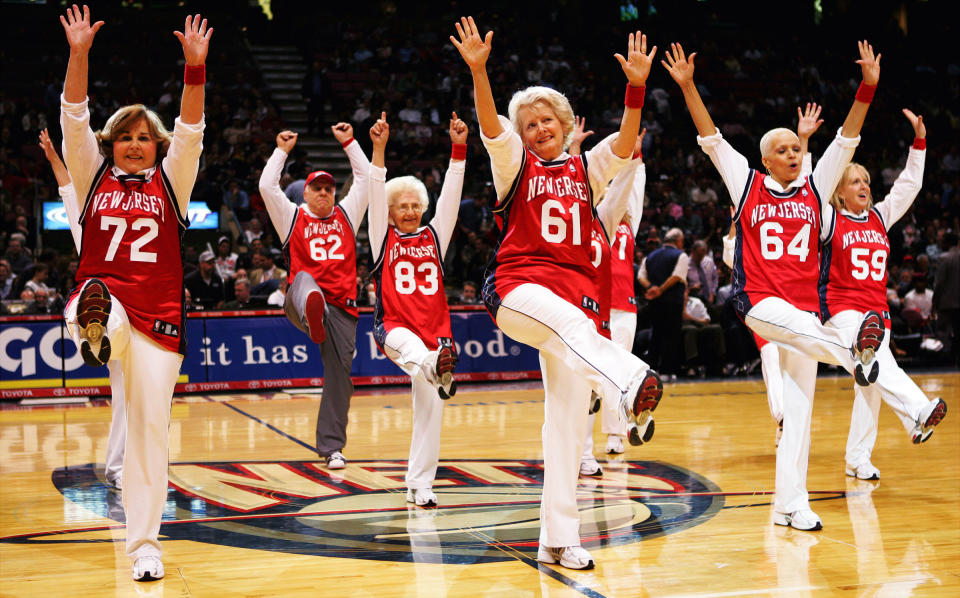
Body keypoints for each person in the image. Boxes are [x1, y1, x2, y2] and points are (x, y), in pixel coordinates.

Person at [452, 16, 661, 569]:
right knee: (577, 332)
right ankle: (628, 383)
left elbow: (622, 146)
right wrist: (480, 72)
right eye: (530, 123)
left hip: (575, 309)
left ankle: (557, 539)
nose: (538, 127)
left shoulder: (586, 169)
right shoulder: (515, 165)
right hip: (517, 290)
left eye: (547, 120)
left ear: (566, 125)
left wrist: (635, 88)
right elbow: (491, 126)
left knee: (567, 427)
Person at [663, 40, 881, 531]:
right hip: (759, 302)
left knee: (799, 417)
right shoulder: (747, 184)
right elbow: (712, 138)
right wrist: (687, 86)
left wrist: (867, 87)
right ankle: (858, 356)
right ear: (764, 159)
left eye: (797, 149)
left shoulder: (816, 187)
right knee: (836, 350)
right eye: (782, 150)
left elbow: (847, 138)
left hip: (807, 317)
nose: (792, 154)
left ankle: (790, 504)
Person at [58, 5, 211, 581]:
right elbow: (74, 118)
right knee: (95, 300)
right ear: (111, 143)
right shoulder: (90, 174)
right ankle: (95, 329)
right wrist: (79, 55)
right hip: (108, 297)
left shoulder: (173, 182)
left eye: (144, 138)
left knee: (149, 431)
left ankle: (145, 544)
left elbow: (192, 133)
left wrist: (195, 70)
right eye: (124, 136)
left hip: (161, 320)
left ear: (156, 146)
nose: (134, 144)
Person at [819, 108, 947, 479]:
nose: (863, 186)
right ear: (839, 191)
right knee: (876, 367)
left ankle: (858, 459)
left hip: (877, 315)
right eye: (854, 180)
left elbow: (909, 184)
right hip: (841, 312)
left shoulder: (879, 217)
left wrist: (919, 142)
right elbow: (813, 188)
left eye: (865, 180)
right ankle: (919, 411)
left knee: (871, 387)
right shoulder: (830, 220)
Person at [258, 120, 371, 470]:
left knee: (340, 379)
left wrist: (350, 142)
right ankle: (312, 311)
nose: (323, 193)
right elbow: (266, 185)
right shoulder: (291, 217)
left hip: (342, 308)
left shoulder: (348, 214)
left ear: (334, 193)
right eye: (316, 189)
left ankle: (332, 448)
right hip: (301, 296)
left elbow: (366, 177)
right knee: (305, 280)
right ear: (304, 194)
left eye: (328, 189)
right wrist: (281, 151)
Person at [367, 113, 466, 507]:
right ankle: (434, 367)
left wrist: (458, 150)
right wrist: (378, 150)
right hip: (394, 328)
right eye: (401, 206)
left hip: (437, 336)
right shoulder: (381, 238)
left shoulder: (435, 235)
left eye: (414, 205)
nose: (409, 211)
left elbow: (452, 199)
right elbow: (374, 196)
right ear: (390, 212)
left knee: (430, 416)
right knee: (417, 355)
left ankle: (419, 484)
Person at [638, 228, 687, 381]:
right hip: (673, 302)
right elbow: (677, 276)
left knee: (656, 335)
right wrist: (660, 289)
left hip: (655, 303)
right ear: (678, 241)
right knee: (671, 336)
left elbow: (640, 276)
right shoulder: (681, 255)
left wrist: (651, 288)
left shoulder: (650, 256)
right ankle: (666, 371)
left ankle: (652, 370)